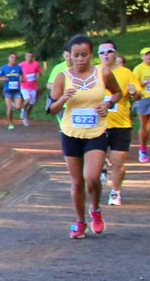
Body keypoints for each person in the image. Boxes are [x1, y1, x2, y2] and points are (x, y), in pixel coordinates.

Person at [48, 34, 123, 239]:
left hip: (96, 131)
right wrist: (63, 98)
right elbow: (51, 109)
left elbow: (117, 92)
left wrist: (108, 104)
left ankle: (95, 209)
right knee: (77, 182)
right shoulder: (62, 77)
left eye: (84, 55)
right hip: (70, 133)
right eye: (76, 55)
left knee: (92, 177)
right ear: (70, 56)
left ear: (91, 55)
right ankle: (80, 222)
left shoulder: (103, 72)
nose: (80, 59)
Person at [97, 41, 141, 205]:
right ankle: (102, 167)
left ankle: (115, 192)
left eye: (109, 51)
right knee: (96, 159)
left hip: (120, 124)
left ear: (116, 53)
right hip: (97, 124)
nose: (105, 55)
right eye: (102, 52)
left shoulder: (126, 73)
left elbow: (138, 95)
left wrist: (134, 92)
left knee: (118, 161)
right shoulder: (93, 72)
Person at [0, 53, 22, 128]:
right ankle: (10, 123)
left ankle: (13, 105)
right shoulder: (4, 68)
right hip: (7, 90)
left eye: (15, 58)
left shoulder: (18, 68)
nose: (13, 59)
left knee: (18, 107)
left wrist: (21, 79)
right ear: (9, 58)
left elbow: (22, 75)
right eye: (12, 57)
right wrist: (3, 79)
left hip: (17, 90)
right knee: (10, 108)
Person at [18, 50, 42, 126]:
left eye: (31, 56)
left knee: (32, 103)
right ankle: (23, 110)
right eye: (28, 56)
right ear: (25, 57)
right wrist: (20, 79)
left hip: (33, 86)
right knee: (27, 99)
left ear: (33, 57)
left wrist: (37, 76)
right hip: (24, 86)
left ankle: (26, 117)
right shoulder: (21, 65)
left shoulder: (36, 64)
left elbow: (39, 72)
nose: (29, 58)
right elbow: (17, 74)